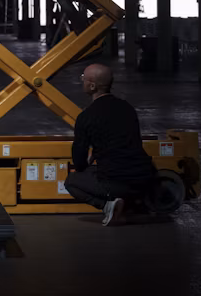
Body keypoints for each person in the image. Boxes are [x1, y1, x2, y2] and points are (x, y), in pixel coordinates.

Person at [64, 63, 158, 226]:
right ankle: (133, 204)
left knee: (72, 181)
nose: (82, 82)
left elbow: (79, 161)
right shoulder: (127, 108)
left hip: (116, 182)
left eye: (83, 79)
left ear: (92, 85)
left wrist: (89, 161)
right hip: (145, 177)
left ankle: (108, 206)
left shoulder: (86, 117)